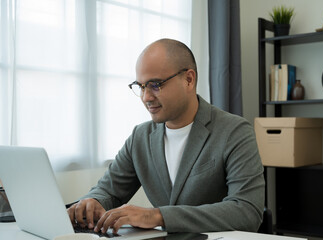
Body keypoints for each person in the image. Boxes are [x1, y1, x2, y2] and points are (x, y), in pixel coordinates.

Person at [67, 38, 265, 234]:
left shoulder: (235, 131)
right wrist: (92, 202)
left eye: (155, 85)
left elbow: (247, 211)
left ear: (189, 79)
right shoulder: (140, 137)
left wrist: (157, 216)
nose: (146, 97)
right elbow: (108, 190)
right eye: (141, 86)